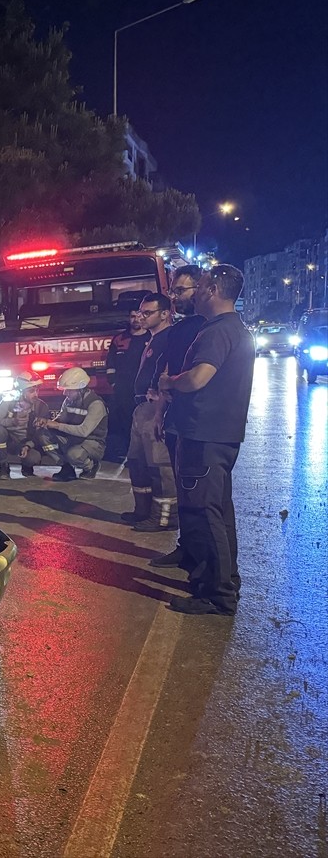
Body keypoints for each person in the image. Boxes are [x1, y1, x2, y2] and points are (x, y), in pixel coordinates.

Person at [158, 264, 253, 616]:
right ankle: (225, 581)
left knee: (204, 514)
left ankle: (216, 594)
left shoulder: (215, 332)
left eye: (200, 287)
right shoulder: (235, 328)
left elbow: (198, 378)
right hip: (221, 436)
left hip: (204, 436)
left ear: (212, 290)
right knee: (219, 512)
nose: (195, 292)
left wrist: (170, 382)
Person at [147, 266, 206, 568]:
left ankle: (201, 558)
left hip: (199, 424)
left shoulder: (209, 328)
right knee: (184, 488)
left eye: (179, 291)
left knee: (200, 495)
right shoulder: (178, 331)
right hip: (175, 420)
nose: (173, 297)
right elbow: (165, 375)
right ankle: (187, 547)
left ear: (201, 288)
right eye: (172, 291)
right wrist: (159, 414)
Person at [122, 294, 177, 531]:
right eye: (140, 312)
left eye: (147, 313)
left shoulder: (169, 338)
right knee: (137, 462)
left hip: (154, 409)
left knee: (159, 465)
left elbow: (168, 371)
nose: (141, 317)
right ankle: (142, 511)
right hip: (140, 408)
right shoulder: (152, 339)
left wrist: (160, 401)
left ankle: (164, 518)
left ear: (164, 313)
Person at [24, 367, 107, 481]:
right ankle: (66, 467)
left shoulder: (96, 404)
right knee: (43, 435)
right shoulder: (69, 401)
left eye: (69, 390)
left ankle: (91, 466)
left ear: (80, 389)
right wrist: (47, 423)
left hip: (93, 442)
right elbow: (61, 419)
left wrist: (56, 425)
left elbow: (84, 431)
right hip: (74, 438)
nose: (64, 393)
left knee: (73, 455)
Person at [0, 371, 50, 480]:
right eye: (31, 391)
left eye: (37, 390)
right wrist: (12, 422)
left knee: (33, 458)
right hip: (11, 442)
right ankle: (4, 468)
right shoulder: (8, 402)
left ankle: (27, 467)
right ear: (21, 391)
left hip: (28, 443)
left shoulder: (41, 406)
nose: (36, 394)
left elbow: (41, 434)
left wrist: (28, 446)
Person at [104, 313, 149, 460]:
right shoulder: (119, 339)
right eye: (132, 316)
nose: (136, 319)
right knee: (124, 420)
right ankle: (128, 452)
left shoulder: (151, 337)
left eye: (139, 316)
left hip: (144, 389)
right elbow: (110, 363)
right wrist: (113, 383)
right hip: (123, 389)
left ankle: (143, 452)